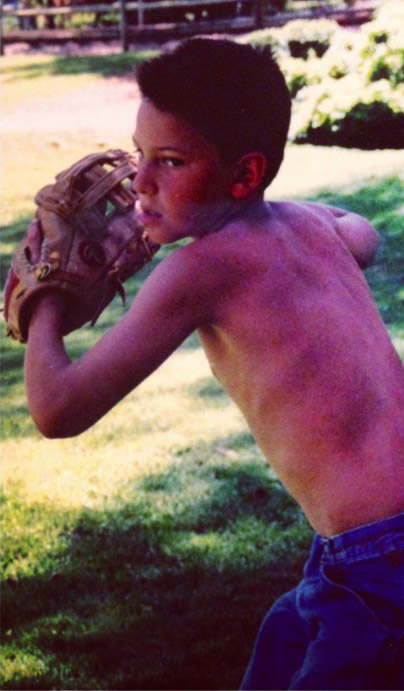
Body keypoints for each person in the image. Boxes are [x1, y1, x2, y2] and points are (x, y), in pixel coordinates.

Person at [23, 38, 404, 689]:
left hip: (375, 560)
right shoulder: (311, 224)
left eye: (169, 162)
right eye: (140, 154)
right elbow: (361, 233)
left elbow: (58, 409)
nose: (141, 182)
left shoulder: (199, 270)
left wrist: (45, 304)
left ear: (244, 173)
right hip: (363, 548)